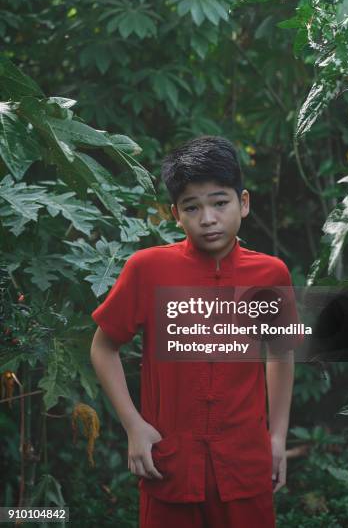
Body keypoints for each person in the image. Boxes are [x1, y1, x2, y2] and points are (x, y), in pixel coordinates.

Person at [90, 135, 303, 528]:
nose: (208, 218)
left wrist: (276, 437)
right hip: (169, 463)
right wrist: (134, 426)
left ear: (243, 202)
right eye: (193, 207)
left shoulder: (270, 273)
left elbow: (279, 354)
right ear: (176, 214)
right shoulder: (147, 269)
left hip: (245, 462)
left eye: (220, 203)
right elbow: (104, 348)